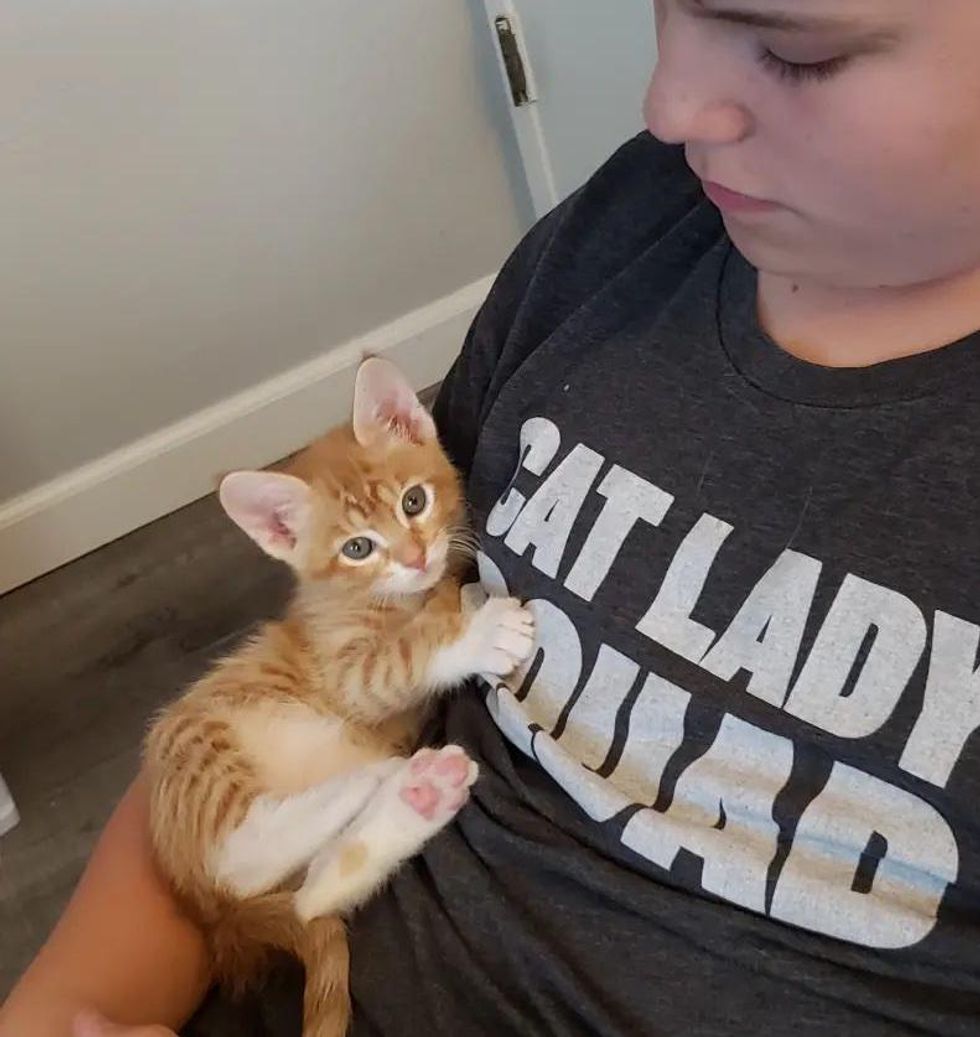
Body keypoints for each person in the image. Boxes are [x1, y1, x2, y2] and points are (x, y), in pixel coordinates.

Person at [4, 1, 980, 1033]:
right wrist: (72, 1000)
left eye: (795, 50)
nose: (664, 108)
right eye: (662, 8)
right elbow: (265, 715)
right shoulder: (623, 232)